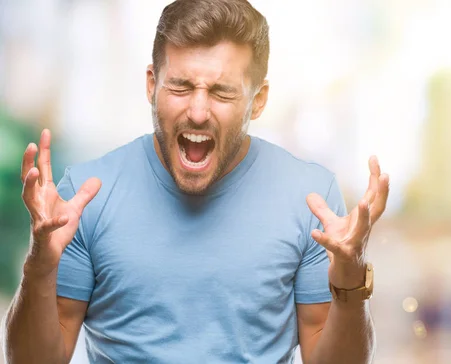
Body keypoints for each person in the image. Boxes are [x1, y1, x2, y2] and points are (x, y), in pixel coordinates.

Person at [1, 0, 389, 363]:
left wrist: (351, 279)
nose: (198, 111)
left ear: (258, 99)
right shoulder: (84, 198)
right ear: (152, 84)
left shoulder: (312, 199)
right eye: (181, 86)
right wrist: (39, 265)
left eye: (221, 91)